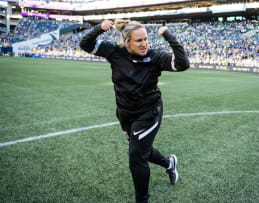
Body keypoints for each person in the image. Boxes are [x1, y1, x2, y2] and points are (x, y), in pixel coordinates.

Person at [79, 19, 190, 203]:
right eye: (139, 40)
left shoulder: (155, 57)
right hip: (125, 112)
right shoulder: (115, 52)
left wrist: (168, 36)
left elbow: (182, 64)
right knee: (141, 149)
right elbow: (85, 44)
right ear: (127, 42)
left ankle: (142, 200)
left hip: (149, 112)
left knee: (136, 156)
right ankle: (168, 163)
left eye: (146, 39)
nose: (144, 43)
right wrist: (99, 28)